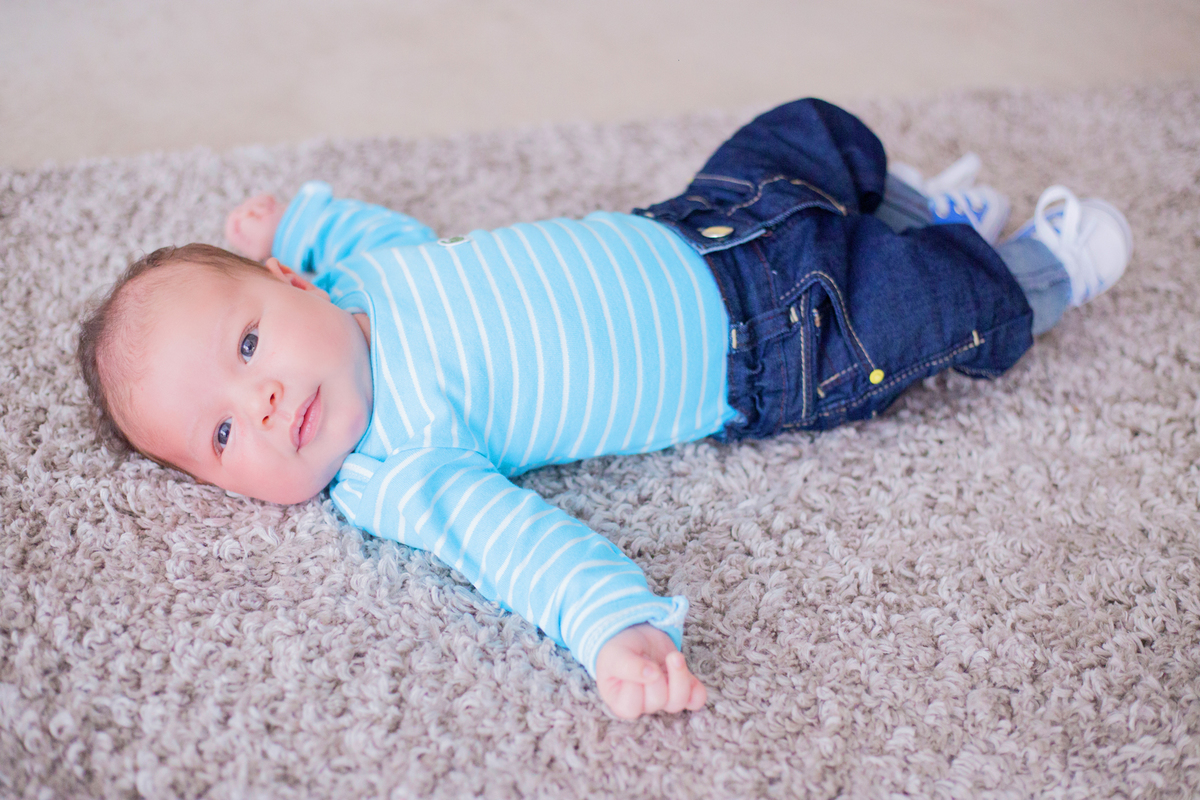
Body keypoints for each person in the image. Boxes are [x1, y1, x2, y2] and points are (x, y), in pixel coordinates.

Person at [76, 98, 1132, 720]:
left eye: (247, 343)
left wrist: (299, 216)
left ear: (295, 286)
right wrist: (611, 627)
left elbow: (372, 222)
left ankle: (918, 210)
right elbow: (514, 544)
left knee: (809, 133)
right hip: (775, 346)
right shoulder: (397, 463)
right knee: (926, 309)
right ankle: (1035, 269)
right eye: (220, 436)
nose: (257, 401)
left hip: (699, 224)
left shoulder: (361, 269)